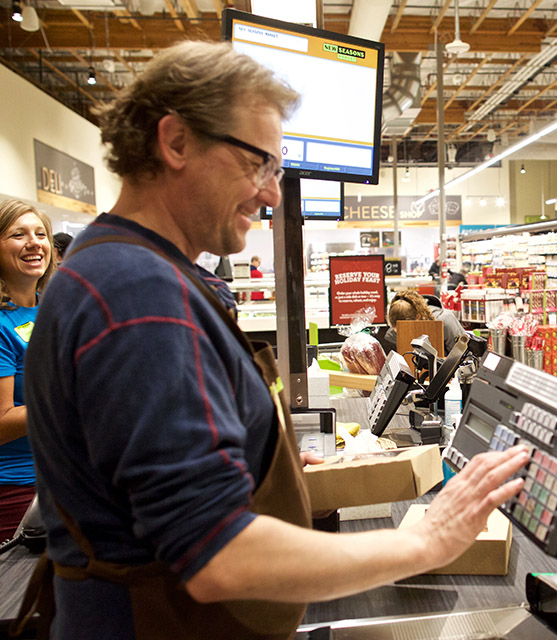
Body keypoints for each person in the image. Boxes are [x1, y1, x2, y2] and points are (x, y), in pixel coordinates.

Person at [22, 41, 527, 640]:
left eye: (277, 171)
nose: (270, 194)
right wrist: (424, 541)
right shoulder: (140, 299)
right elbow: (220, 557)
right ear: (176, 141)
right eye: (258, 163)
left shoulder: (115, 269)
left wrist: (269, 461)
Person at [0, 199, 55, 540]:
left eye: (40, 233)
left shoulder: (48, 309)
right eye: (19, 234)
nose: (35, 243)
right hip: (16, 490)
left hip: (56, 477)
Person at [380, 288, 466, 356]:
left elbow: (463, 355)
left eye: (405, 331)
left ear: (417, 317)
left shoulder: (445, 320)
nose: (401, 334)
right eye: (397, 332)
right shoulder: (391, 335)